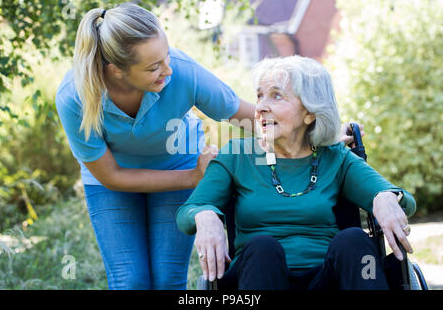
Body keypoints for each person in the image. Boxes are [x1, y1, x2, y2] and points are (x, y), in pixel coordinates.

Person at [56, 2, 358, 290]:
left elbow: (245, 116)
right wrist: (192, 178)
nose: (168, 70)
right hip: (113, 182)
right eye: (153, 67)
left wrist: (321, 133)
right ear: (117, 70)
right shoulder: (75, 97)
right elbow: (111, 175)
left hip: (176, 163)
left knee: (167, 280)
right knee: (130, 280)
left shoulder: (183, 72)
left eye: (167, 56)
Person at [176, 55, 416, 290]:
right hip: (259, 275)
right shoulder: (237, 155)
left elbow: (405, 200)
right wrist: (204, 214)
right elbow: (187, 213)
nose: (260, 107)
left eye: (276, 96)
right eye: (259, 96)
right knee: (262, 247)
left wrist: (385, 197)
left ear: (310, 113)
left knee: (354, 240)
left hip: (329, 278)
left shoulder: (334, 157)